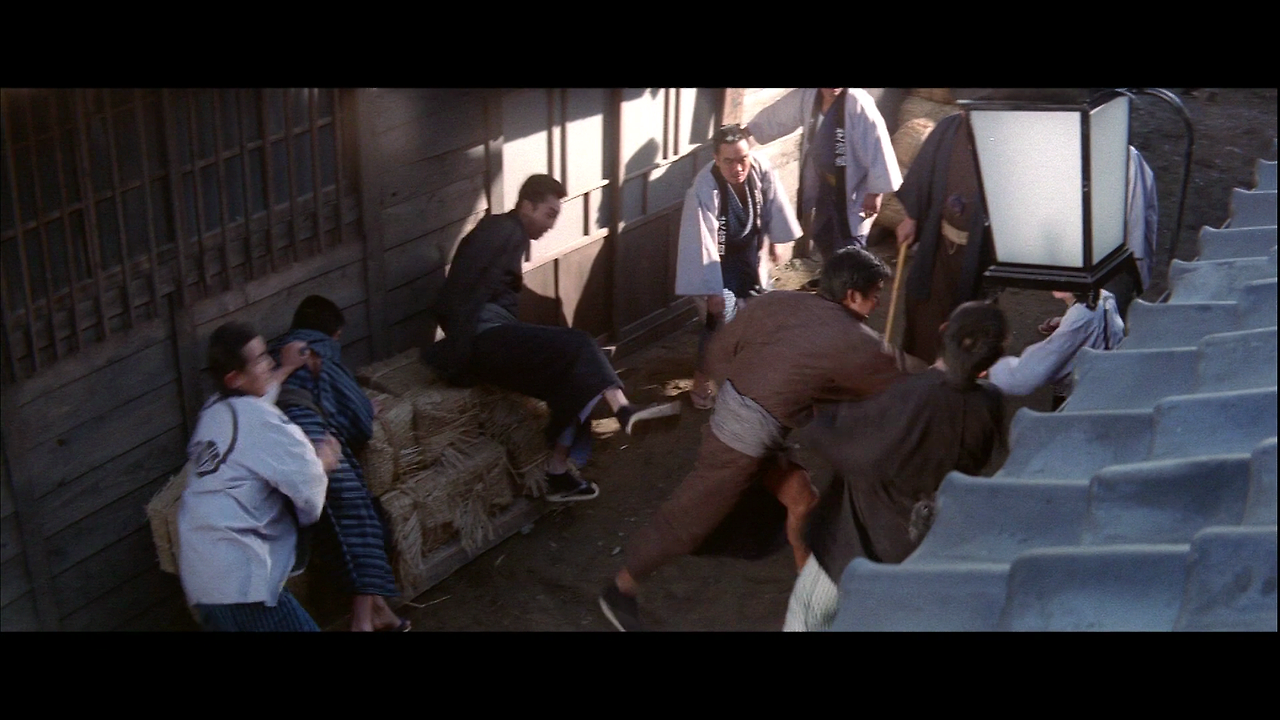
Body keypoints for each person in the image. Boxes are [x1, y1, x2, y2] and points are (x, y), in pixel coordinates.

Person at [598, 246, 927, 632]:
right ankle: (620, 589)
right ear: (852, 295)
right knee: (687, 520)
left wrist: (749, 387)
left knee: (801, 498)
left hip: (752, 430)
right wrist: (946, 369)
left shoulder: (778, 301)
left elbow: (720, 349)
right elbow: (900, 378)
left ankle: (806, 591)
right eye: (874, 296)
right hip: (738, 444)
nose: (876, 305)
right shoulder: (851, 338)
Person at [423, 174, 680, 503]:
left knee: (574, 375)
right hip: (482, 339)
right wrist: (461, 352)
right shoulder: (500, 230)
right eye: (549, 214)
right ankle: (624, 410)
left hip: (493, 335)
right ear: (526, 206)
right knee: (580, 344)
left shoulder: (509, 233)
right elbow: (458, 292)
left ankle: (557, 472)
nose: (551, 224)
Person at [783, 301, 1008, 632]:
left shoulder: (906, 397)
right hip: (930, 547)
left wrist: (816, 413)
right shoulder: (990, 406)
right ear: (990, 361)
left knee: (808, 616)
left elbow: (846, 447)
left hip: (863, 542)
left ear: (944, 331)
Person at [176, 321, 339, 632]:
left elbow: (255, 399)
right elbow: (307, 485)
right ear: (234, 378)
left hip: (203, 579)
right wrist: (323, 463)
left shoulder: (213, 412)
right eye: (261, 359)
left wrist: (287, 368)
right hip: (242, 578)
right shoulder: (262, 421)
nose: (269, 364)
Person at [271, 295, 410, 632]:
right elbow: (358, 420)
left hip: (279, 449)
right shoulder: (320, 352)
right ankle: (362, 623)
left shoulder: (275, 357)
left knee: (350, 527)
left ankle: (380, 613)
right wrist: (366, 410)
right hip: (313, 442)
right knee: (361, 525)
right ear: (333, 334)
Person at [675, 123, 802, 409]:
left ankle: (752, 378)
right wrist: (712, 290)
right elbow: (702, 241)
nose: (738, 167)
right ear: (716, 159)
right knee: (719, 323)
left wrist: (775, 239)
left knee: (760, 315)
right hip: (717, 264)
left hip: (748, 255)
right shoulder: (703, 188)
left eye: (743, 158)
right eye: (729, 161)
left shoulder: (760, 168)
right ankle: (701, 383)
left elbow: (772, 203)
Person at [744, 88, 902, 258]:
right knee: (824, 234)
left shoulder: (858, 103)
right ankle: (831, 271)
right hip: (825, 184)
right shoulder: (809, 96)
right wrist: (748, 132)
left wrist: (875, 192)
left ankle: (851, 274)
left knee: (850, 241)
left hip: (853, 186)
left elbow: (877, 145)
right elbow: (780, 114)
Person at [894, 107, 996, 364]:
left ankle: (960, 374)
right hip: (938, 243)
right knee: (924, 307)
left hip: (980, 251)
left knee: (969, 317)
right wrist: (911, 218)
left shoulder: (1003, 138)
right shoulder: (948, 129)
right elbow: (923, 174)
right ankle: (921, 370)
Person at [987, 288, 1125, 409]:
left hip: (1088, 395)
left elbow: (1026, 376)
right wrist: (1064, 322)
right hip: (1105, 377)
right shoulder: (1102, 296)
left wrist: (989, 369)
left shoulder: (1081, 316)